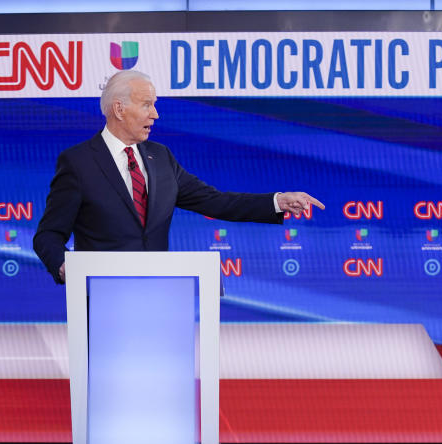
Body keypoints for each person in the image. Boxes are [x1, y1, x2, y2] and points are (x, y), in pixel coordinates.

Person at [33, 69, 324, 284]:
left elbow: (215, 201)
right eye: (147, 104)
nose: (155, 114)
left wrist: (277, 201)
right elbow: (48, 234)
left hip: (160, 297)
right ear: (119, 109)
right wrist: (62, 266)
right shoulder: (78, 162)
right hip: (102, 299)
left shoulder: (160, 158)